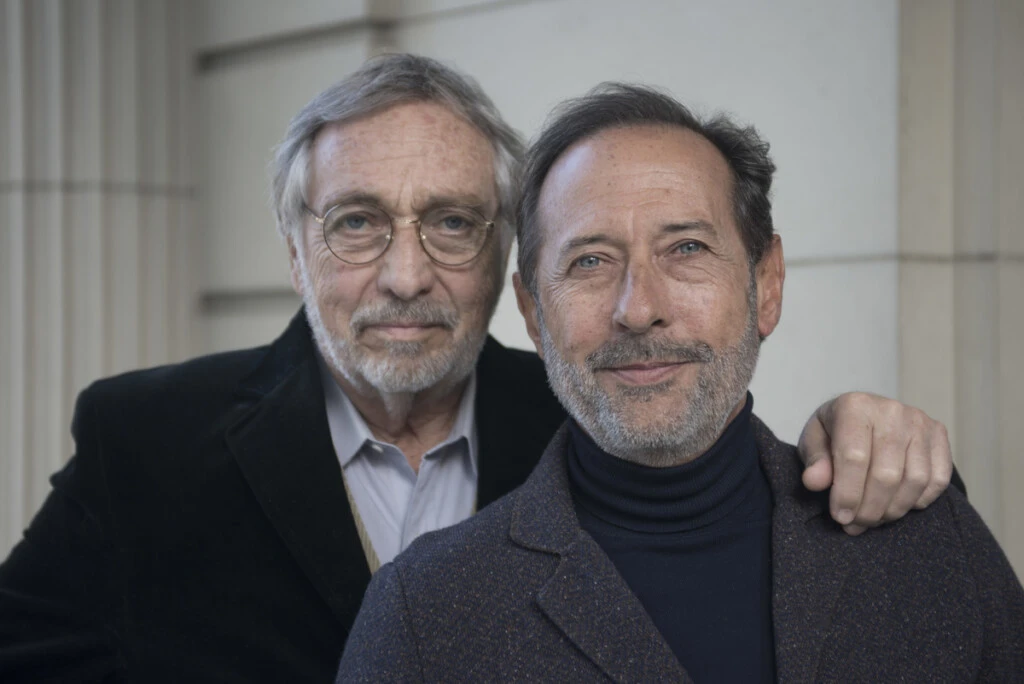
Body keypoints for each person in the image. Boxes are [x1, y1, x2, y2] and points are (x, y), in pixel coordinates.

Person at [0, 56, 958, 684]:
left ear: (508, 261)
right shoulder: (144, 445)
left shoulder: (596, 419)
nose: (406, 275)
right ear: (296, 252)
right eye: (357, 222)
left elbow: (724, 457)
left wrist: (858, 431)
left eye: (453, 223)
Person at [337, 82, 1023, 683]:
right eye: (589, 261)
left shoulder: (930, 547)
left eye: (687, 248)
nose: (638, 309)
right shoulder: (424, 614)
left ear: (766, 284)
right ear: (533, 313)